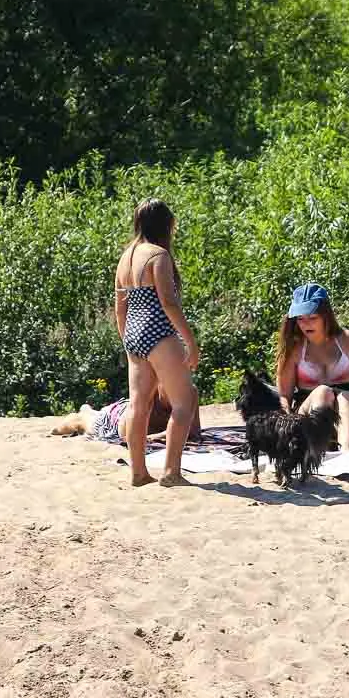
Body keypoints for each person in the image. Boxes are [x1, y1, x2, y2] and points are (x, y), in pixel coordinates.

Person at [114, 199, 199, 487]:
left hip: (134, 332)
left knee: (139, 404)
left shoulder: (126, 257)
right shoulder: (158, 255)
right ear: (165, 225)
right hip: (158, 330)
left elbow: (119, 307)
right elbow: (169, 303)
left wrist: (127, 339)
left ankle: (138, 472)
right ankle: (171, 472)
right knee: (184, 401)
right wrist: (190, 342)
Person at [275, 282, 349, 451]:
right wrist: (285, 424)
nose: (306, 324)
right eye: (300, 319)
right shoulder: (293, 348)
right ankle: (319, 447)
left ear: (326, 316)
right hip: (310, 413)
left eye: (312, 318)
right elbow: (284, 395)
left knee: (346, 397)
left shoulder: (348, 340)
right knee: (323, 392)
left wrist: (344, 400)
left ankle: (346, 453)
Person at [50, 383, 201, 445]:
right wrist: (170, 433)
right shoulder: (148, 393)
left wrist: (159, 435)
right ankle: (85, 411)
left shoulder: (189, 391)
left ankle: (88, 410)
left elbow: (194, 432)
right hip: (115, 419)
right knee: (83, 423)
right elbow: (125, 435)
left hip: (130, 414)